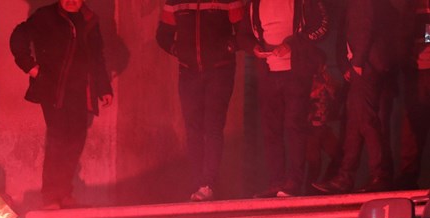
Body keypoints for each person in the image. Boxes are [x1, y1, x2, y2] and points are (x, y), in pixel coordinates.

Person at [9, 0, 113, 210]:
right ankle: (51, 196)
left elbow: (96, 57)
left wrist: (103, 88)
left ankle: (64, 193)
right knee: (58, 139)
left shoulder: (90, 20)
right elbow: (19, 37)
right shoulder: (45, 16)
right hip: (53, 90)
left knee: (75, 139)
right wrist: (31, 67)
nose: (71, 1)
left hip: (80, 91)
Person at [156, 0, 245, 202]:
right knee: (193, 128)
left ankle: (208, 183)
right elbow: (163, 35)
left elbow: (243, 31)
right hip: (188, 71)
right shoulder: (174, 2)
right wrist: (176, 49)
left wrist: (229, 47)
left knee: (213, 127)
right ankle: (197, 182)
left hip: (220, 70)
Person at [238, 0, 329, 198]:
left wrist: (292, 45)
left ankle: (293, 183)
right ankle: (276, 181)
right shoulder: (254, 3)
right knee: (271, 129)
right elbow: (242, 33)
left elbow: (322, 27)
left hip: (296, 73)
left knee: (294, 126)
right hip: (268, 73)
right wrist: (253, 47)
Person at [312, 0, 402, 194]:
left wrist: (358, 62)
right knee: (355, 121)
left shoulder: (362, 3)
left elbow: (364, 28)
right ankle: (345, 176)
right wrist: (349, 64)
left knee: (366, 120)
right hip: (366, 66)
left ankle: (379, 175)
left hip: (366, 66)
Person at [396, 0, 430, 190]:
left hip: (420, 68)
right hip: (416, 70)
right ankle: (408, 176)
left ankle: (408, 175)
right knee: (412, 124)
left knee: (412, 124)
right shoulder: (410, 5)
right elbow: (403, 33)